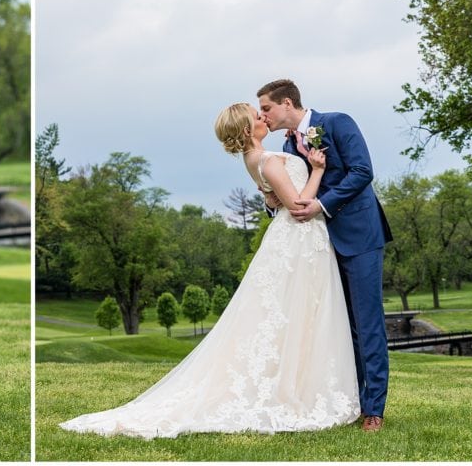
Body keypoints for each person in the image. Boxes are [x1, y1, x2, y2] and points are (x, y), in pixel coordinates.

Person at [59, 102, 360, 438]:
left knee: (290, 315)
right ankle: (298, 390)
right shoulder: (269, 160)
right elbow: (299, 206)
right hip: (298, 241)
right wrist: (317, 169)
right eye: (256, 116)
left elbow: (274, 196)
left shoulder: (254, 160)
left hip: (298, 244)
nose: (263, 117)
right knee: (298, 313)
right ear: (247, 130)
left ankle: (300, 383)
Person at [256, 78, 392, 432]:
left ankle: (373, 409)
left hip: (359, 236)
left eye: (267, 108)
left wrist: (321, 204)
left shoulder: (336, 122)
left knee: (367, 324)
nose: (263, 116)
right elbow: (292, 193)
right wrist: (274, 203)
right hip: (318, 246)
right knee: (338, 328)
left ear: (288, 103)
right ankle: (346, 400)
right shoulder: (286, 145)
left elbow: (363, 172)